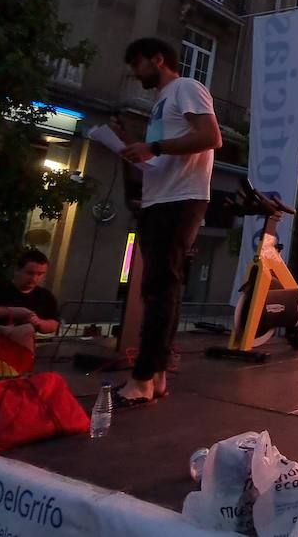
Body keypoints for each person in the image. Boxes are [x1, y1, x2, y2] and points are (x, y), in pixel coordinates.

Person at [113, 37, 221, 407]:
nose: (134, 72)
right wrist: (131, 143)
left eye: (137, 64)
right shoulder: (164, 101)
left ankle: (142, 379)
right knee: (160, 288)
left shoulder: (185, 88)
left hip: (179, 200)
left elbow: (210, 137)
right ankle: (155, 376)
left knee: (160, 289)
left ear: (158, 60)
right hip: (163, 199)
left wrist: (153, 147)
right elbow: (162, 158)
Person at [0, 249, 61, 334]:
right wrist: (11, 312)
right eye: (29, 273)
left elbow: (53, 324)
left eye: (40, 274)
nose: (34, 278)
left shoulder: (46, 296)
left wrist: (39, 323)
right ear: (17, 270)